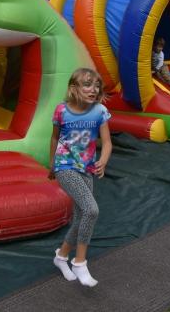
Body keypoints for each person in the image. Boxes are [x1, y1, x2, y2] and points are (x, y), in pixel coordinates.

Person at [49, 67, 112, 287]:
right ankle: (80, 262)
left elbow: (107, 142)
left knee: (81, 216)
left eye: (96, 85)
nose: (93, 89)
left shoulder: (100, 111)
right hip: (65, 166)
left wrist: (103, 160)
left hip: (86, 168)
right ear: (74, 87)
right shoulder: (61, 111)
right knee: (91, 209)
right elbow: (54, 139)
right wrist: (51, 165)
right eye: (87, 84)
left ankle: (61, 257)